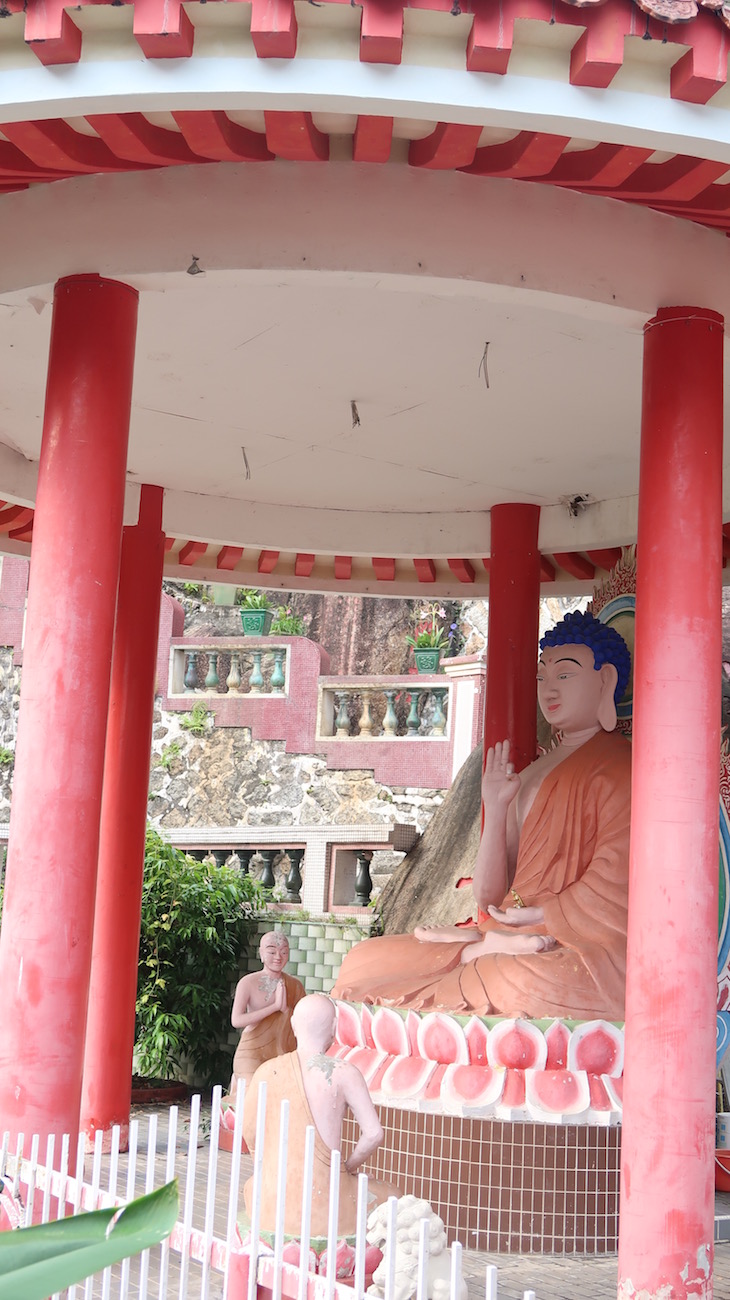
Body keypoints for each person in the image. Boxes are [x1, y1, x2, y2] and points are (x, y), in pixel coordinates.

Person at [331, 610, 632, 1021]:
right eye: (543, 677)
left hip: (569, 944)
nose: (549, 689)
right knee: (363, 960)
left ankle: (481, 955)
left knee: (514, 981)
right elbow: (490, 896)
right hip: (504, 932)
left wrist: (546, 915)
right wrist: (496, 802)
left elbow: (621, 886)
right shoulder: (528, 776)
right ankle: (479, 951)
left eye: (566, 675)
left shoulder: (622, 769)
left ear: (607, 681)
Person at [243, 993, 400, 1237]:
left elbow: (249, 1132)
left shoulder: (266, 1071)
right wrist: (346, 1167)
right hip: (326, 1201)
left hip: (270, 1200)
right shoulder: (344, 1072)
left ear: (293, 1024)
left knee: (252, 1186)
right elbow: (374, 1134)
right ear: (335, 1028)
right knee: (392, 1195)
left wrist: (270, 1172)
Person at [229, 931, 305, 1093]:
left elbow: (303, 1023)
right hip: (252, 1051)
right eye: (271, 951)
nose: (278, 956)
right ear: (261, 954)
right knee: (255, 1093)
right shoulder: (248, 982)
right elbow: (236, 1020)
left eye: (284, 952)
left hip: (284, 1053)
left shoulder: (295, 985)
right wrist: (275, 1007)